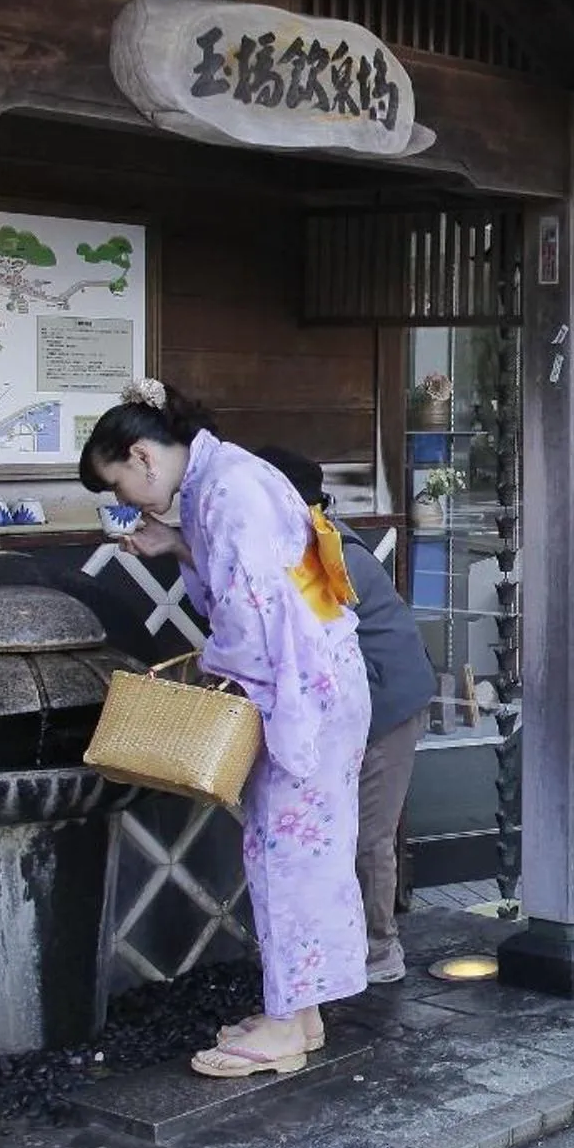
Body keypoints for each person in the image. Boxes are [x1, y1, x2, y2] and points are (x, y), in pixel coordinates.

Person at [80, 380, 369, 1076]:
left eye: (123, 485)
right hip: (321, 680)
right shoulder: (231, 476)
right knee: (305, 857)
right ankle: (300, 1010)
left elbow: (250, 606)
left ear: (143, 455)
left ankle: (283, 1024)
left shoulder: (228, 489)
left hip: (301, 692)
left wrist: (218, 675)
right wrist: (179, 544)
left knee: (288, 858)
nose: (132, 503)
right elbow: (285, 584)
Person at [254, 447, 437, 986]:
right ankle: (340, 953)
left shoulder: (325, 554)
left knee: (368, 837)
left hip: (388, 708)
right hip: (349, 710)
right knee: (341, 835)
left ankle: (380, 952)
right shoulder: (304, 541)